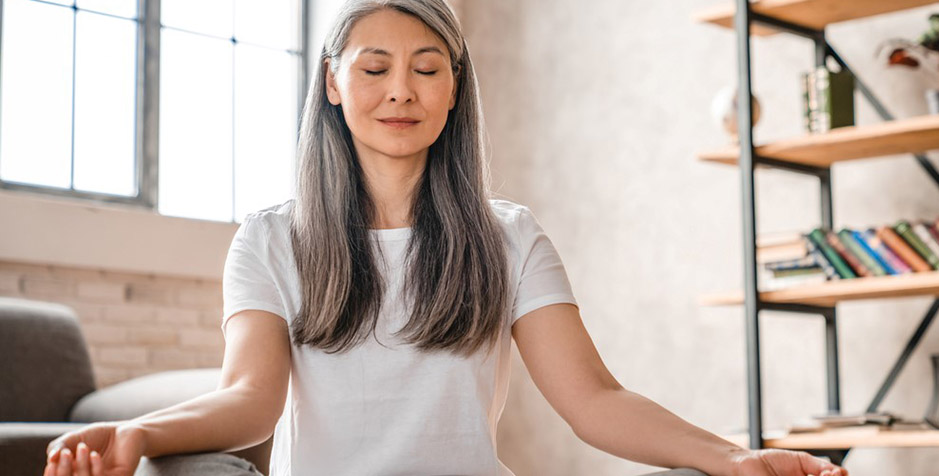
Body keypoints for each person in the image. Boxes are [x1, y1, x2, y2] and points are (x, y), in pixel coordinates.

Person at [43, 1, 850, 475]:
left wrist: (732, 459)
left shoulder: (508, 237)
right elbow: (250, 401)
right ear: (332, 82)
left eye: (429, 68)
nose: (402, 90)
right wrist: (140, 436)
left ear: (456, 86)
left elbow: (594, 401)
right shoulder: (269, 240)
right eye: (374, 68)